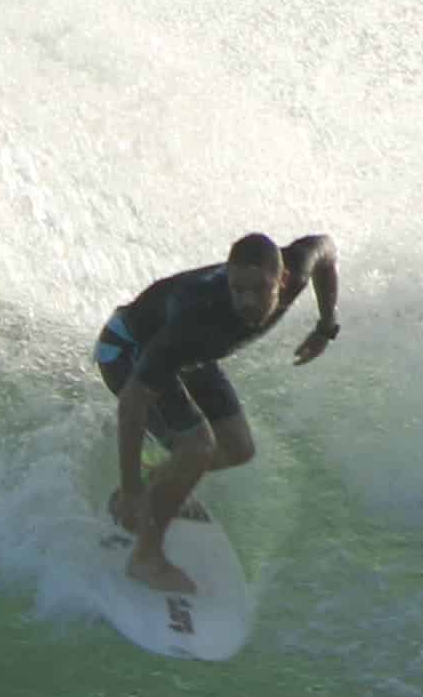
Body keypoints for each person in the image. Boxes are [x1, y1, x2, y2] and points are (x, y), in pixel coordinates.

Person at [94, 231, 337, 590]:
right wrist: (130, 491)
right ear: (227, 279)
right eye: (238, 289)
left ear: (282, 280)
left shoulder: (297, 266)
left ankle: (158, 484)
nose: (247, 301)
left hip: (189, 356)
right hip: (127, 351)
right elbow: (133, 403)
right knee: (197, 446)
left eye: (258, 289)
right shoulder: (197, 318)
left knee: (238, 448)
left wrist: (326, 325)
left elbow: (327, 250)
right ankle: (145, 556)